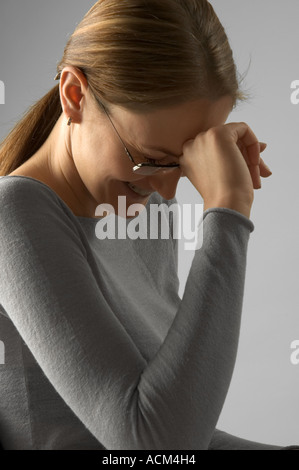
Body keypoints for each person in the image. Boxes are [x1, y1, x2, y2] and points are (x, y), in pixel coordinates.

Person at [0, 0, 297, 451]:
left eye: (184, 165)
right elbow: (155, 445)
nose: (169, 190)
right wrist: (229, 210)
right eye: (151, 160)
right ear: (74, 95)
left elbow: (181, 426)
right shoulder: (14, 214)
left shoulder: (142, 202)